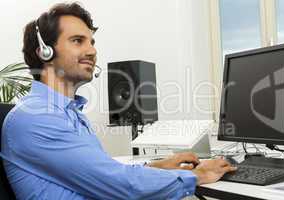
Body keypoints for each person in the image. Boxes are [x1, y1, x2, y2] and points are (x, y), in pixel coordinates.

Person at [1, 2, 236, 199]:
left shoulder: (67, 112)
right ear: (45, 52)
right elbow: (120, 184)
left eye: (92, 42)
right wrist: (197, 175)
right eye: (77, 41)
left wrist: (159, 166)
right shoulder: (36, 118)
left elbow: (101, 173)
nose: (92, 51)